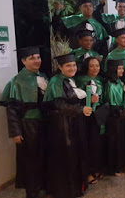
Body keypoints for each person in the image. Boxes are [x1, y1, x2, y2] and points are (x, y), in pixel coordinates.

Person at [0, 47, 48, 198]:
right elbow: (11, 109)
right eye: (32, 58)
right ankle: (32, 192)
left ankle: (43, 186)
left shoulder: (43, 76)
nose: (36, 60)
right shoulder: (17, 82)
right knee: (30, 159)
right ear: (23, 61)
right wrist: (16, 132)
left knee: (43, 155)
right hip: (28, 124)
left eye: (38, 57)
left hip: (43, 123)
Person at [43, 53, 92, 198]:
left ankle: (77, 187)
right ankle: (67, 191)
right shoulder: (55, 81)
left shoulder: (70, 80)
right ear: (60, 67)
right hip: (62, 125)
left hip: (73, 123)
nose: (72, 68)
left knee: (75, 155)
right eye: (68, 66)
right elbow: (59, 104)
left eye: (74, 65)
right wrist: (80, 109)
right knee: (66, 157)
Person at [75, 57, 105, 184]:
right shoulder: (80, 80)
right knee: (86, 144)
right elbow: (75, 99)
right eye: (92, 66)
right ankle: (87, 173)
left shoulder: (100, 80)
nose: (95, 68)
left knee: (96, 143)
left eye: (97, 65)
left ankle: (95, 168)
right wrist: (87, 100)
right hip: (84, 117)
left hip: (97, 115)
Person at [103, 59, 125, 176]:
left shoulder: (120, 82)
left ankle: (121, 165)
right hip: (113, 116)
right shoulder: (109, 84)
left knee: (121, 141)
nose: (122, 71)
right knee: (114, 142)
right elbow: (109, 102)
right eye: (119, 68)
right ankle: (114, 168)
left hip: (121, 115)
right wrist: (120, 112)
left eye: (122, 68)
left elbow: (124, 97)